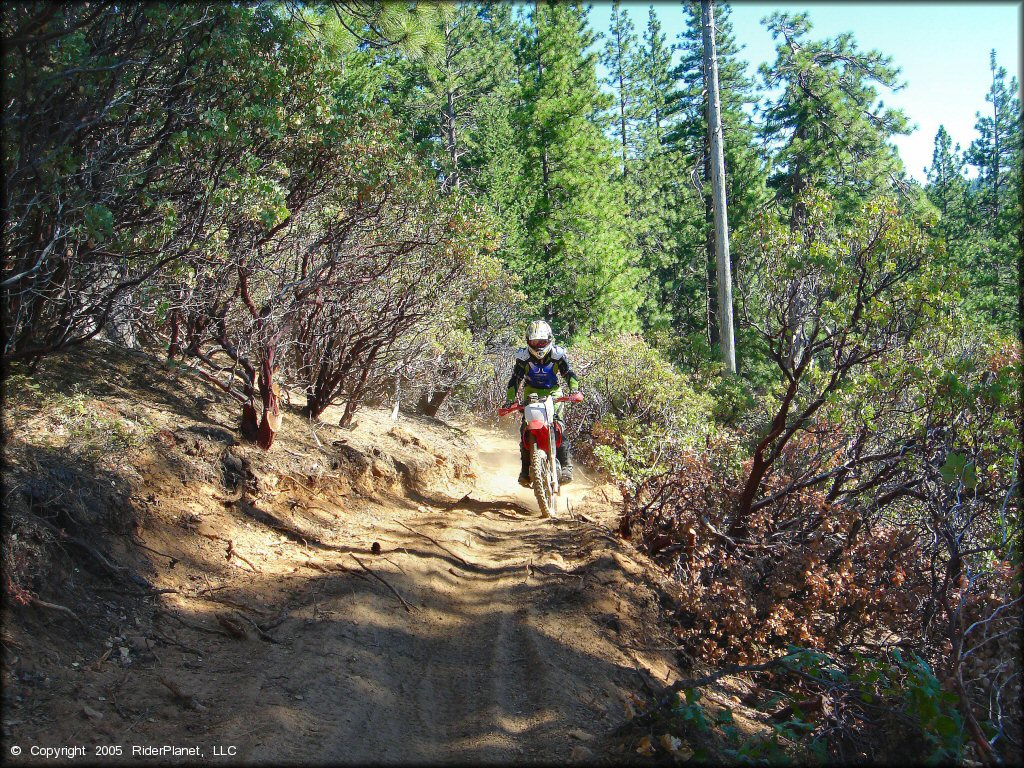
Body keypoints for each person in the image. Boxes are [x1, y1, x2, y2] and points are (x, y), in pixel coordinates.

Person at [504, 319, 581, 487]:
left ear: (549, 339)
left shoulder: (557, 355)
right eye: (534, 342)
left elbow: (569, 373)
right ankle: (525, 470)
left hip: (554, 392)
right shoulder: (523, 357)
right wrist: (510, 400)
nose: (538, 345)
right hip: (531, 392)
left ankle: (566, 466)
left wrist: (574, 390)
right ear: (527, 341)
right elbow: (515, 379)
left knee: (559, 424)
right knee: (526, 428)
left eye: (542, 341)